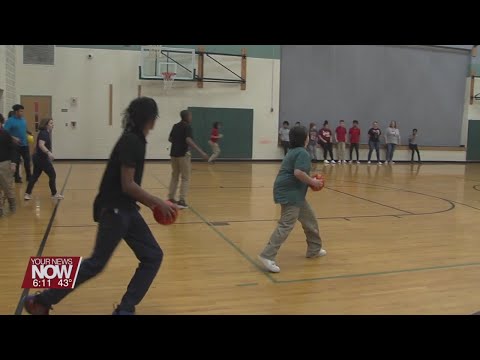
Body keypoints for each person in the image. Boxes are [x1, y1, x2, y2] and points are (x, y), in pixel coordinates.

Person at [23, 97, 176, 315]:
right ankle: (41, 300)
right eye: (154, 118)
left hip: (126, 209)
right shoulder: (132, 141)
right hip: (115, 210)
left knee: (152, 256)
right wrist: (156, 202)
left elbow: (128, 188)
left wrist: (150, 204)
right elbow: (127, 184)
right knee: (96, 263)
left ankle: (125, 309)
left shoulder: (136, 139)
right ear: (150, 119)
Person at [258, 126, 327, 273]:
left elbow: (298, 172)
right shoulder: (302, 152)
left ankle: (314, 249)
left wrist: (309, 179)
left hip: (293, 193)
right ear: (305, 138)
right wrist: (313, 182)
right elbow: (298, 172)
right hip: (291, 193)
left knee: (310, 220)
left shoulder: (294, 151)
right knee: (286, 225)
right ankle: (267, 255)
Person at [167, 110, 208, 209]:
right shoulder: (187, 127)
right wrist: (201, 152)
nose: (191, 117)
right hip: (183, 155)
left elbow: (170, 138)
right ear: (187, 117)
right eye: (191, 116)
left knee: (174, 176)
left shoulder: (175, 126)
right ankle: (182, 201)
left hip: (173, 154)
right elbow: (188, 140)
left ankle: (171, 198)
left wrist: (177, 142)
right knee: (185, 178)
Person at [24, 118, 64, 200]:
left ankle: (27, 194)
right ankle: (54, 194)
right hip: (42, 159)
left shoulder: (44, 133)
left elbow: (37, 146)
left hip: (38, 158)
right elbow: (41, 145)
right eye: (51, 123)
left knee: (35, 176)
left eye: (52, 123)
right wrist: (49, 153)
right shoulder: (44, 133)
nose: (53, 125)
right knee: (52, 174)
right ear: (46, 125)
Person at [4, 104, 31, 183]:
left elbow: (23, 129)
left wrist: (28, 133)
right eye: (21, 111)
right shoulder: (10, 121)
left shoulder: (23, 120)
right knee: (17, 162)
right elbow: (5, 133)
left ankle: (29, 177)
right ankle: (17, 178)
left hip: (25, 144)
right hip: (15, 146)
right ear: (16, 112)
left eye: (23, 111)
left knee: (27, 161)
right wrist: (13, 138)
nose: (22, 113)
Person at [0, 114, 17, 216]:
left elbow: (13, 149)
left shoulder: (6, 134)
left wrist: (13, 163)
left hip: (4, 164)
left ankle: (12, 203)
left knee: (7, 187)